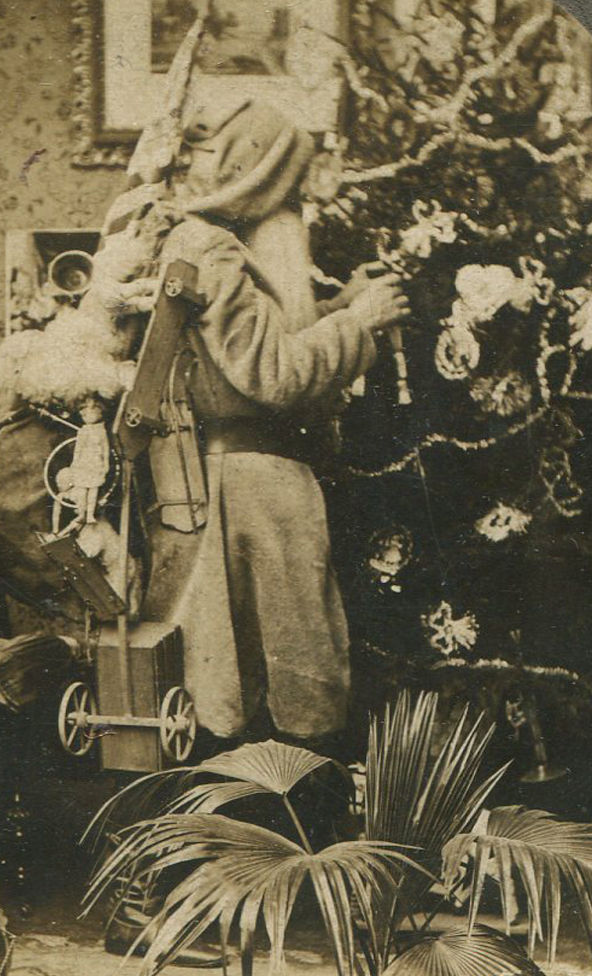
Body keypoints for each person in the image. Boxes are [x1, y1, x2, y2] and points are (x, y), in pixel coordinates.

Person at [154, 96, 411, 757]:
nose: (298, 203)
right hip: (253, 482)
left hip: (241, 475)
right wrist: (359, 323)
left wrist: (340, 303)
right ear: (267, 178)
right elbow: (271, 374)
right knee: (296, 656)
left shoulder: (212, 245)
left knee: (256, 657)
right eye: (292, 185)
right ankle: (290, 798)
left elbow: (257, 342)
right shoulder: (215, 251)